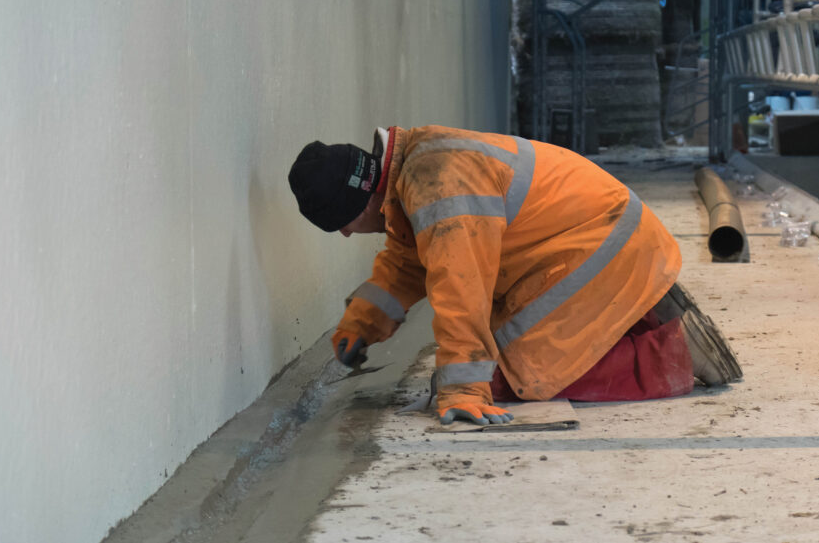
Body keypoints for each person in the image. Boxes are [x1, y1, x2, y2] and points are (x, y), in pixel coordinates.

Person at [288, 125, 741, 426]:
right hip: (590, 245)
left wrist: (464, 387)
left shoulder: (438, 182)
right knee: (496, 361)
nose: (347, 235)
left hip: (602, 247)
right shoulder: (415, 170)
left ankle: (673, 354)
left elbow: (461, 283)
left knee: (516, 378)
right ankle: (637, 317)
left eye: (341, 223)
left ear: (362, 202)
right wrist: (362, 324)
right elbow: (408, 264)